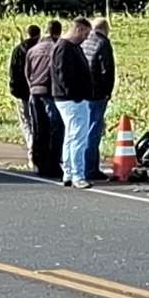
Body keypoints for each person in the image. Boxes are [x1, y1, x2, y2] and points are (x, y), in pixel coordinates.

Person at [51, 18, 94, 189]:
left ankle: (68, 172)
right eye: (85, 33)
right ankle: (78, 174)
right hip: (71, 99)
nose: (86, 37)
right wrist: (76, 95)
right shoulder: (64, 48)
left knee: (70, 136)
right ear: (78, 29)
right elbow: (64, 76)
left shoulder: (71, 47)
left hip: (69, 98)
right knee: (78, 137)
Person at [26, 20, 64, 178]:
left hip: (34, 91)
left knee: (38, 129)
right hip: (50, 92)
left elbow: (27, 73)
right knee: (55, 129)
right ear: (58, 32)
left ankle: (39, 163)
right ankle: (53, 164)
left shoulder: (33, 50)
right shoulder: (57, 49)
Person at [82, 17, 116, 181]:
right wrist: (108, 92)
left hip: (83, 93)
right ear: (105, 29)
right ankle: (91, 168)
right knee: (94, 130)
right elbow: (107, 71)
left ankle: (81, 166)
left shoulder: (85, 41)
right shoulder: (103, 43)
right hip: (97, 94)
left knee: (83, 130)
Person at [9, 25, 40, 164]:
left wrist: (14, 88)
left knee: (26, 121)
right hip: (38, 90)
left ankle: (31, 145)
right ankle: (37, 147)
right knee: (37, 121)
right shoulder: (40, 49)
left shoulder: (18, 50)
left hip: (21, 92)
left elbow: (13, 71)